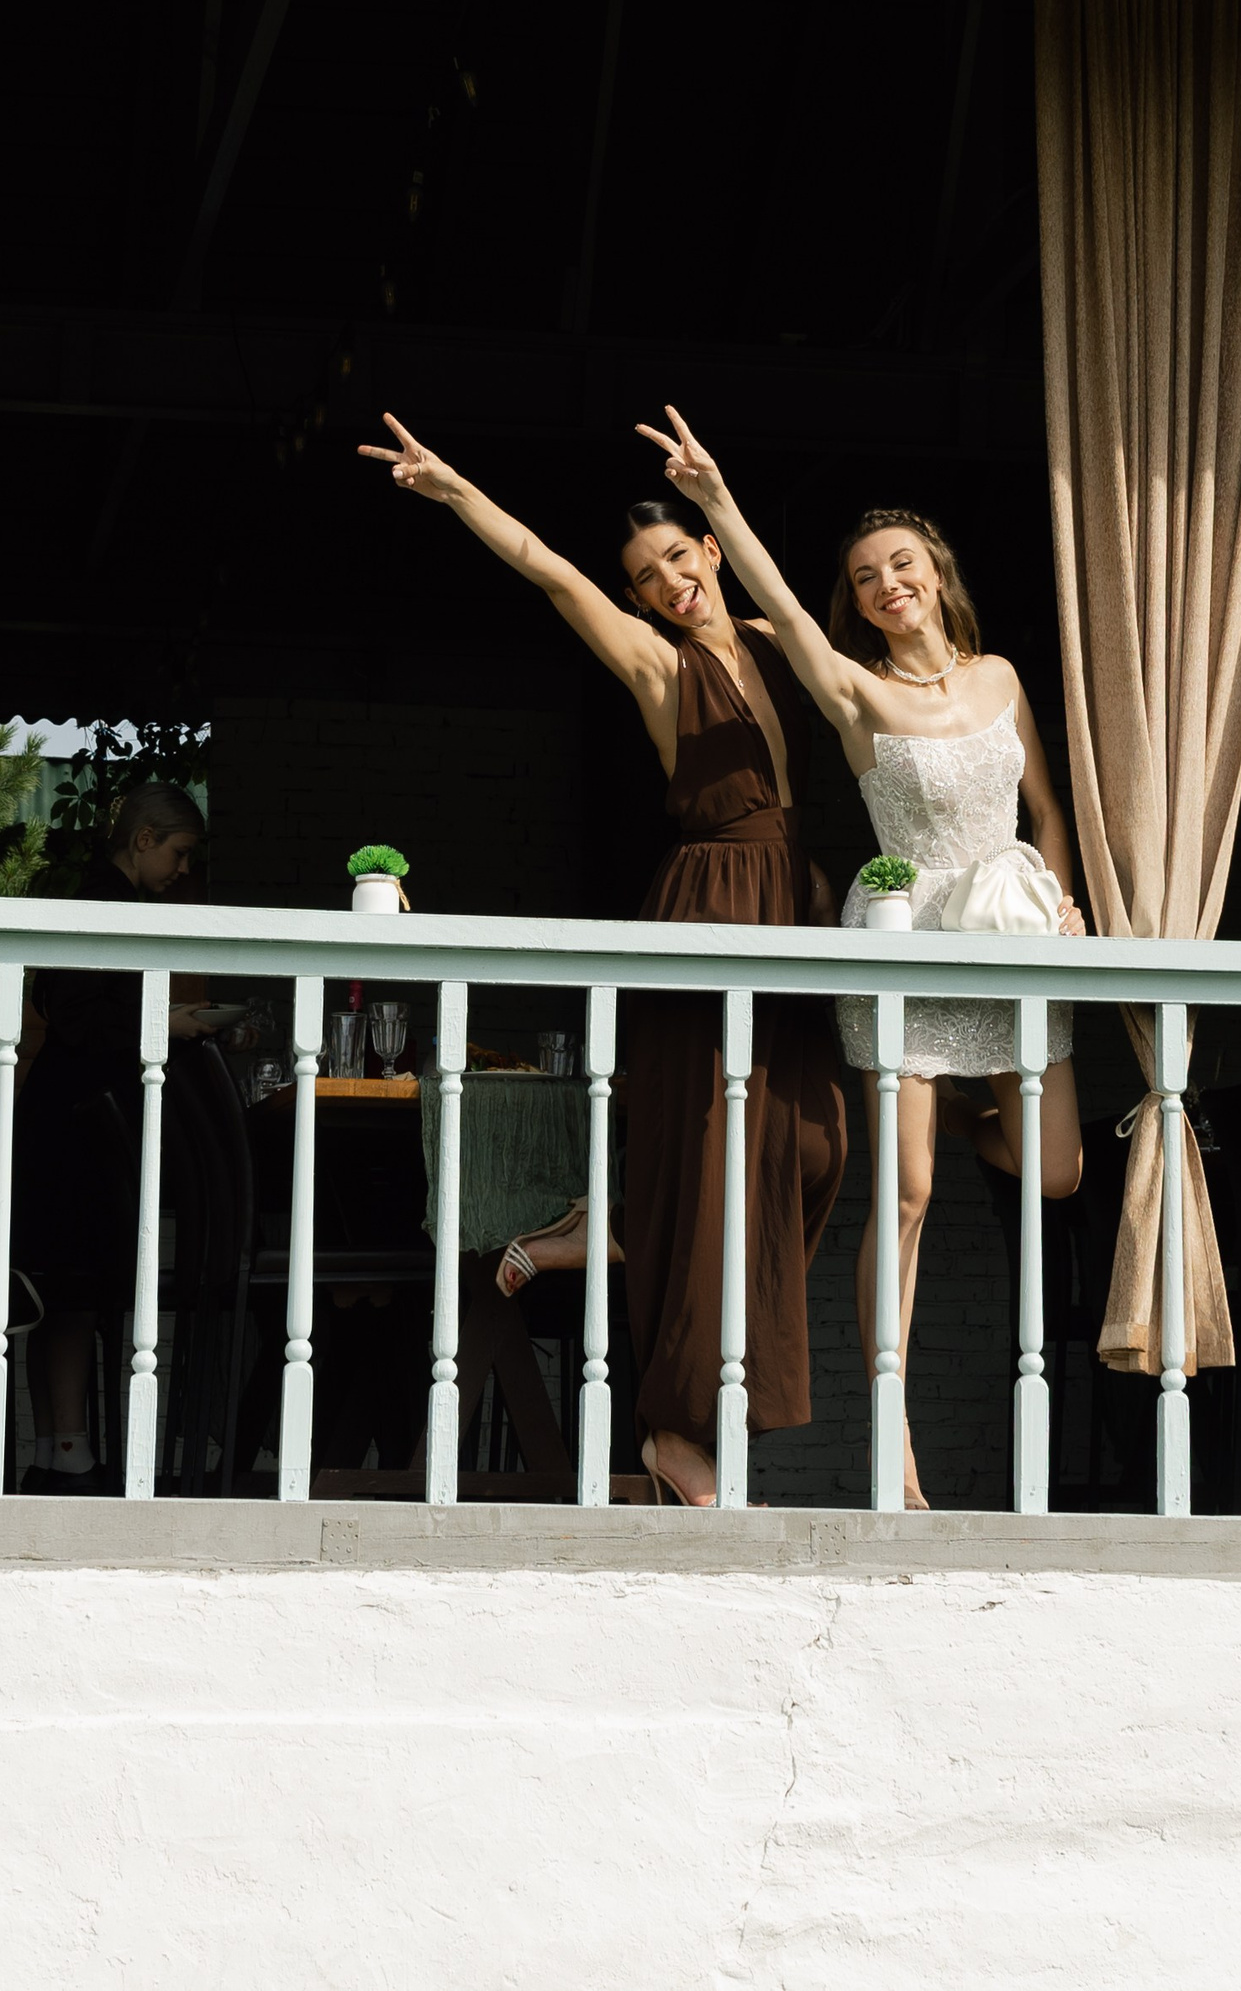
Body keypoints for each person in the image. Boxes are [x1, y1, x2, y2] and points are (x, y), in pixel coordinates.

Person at [358, 413, 847, 1509]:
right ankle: (677, 1431)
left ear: (711, 550)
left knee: (813, 1148)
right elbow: (550, 571)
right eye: (647, 577)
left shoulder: (776, 636)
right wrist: (453, 489)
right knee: (715, 1170)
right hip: (710, 907)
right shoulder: (658, 666)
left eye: (678, 557)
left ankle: (607, 1227)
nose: (670, 583)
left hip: (788, 909)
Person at [636, 407, 1084, 1508]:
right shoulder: (855, 692)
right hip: (912, 943)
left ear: (937, 574)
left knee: (1058, 1168)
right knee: (910, 1190)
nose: (888, 585)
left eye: (903, 566)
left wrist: (1064, 899)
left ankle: (965, 1118)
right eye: (867, 577)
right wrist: (713, 499)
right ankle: (898, 1438)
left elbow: (1045, 807)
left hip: (1011, 937)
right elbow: (784, 611)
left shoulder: (1001, 678)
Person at [13, 782, 209, 1492]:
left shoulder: (99, 897)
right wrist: (167, 1024)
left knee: (57, 1292)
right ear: (144, 839)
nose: (182, 870)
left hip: (65, 1113)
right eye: (178, 853)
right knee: (74, 1289)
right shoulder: (106, 901)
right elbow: (75, 1013)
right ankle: (70, 1461)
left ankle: (55, 1452)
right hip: (78, 1121)